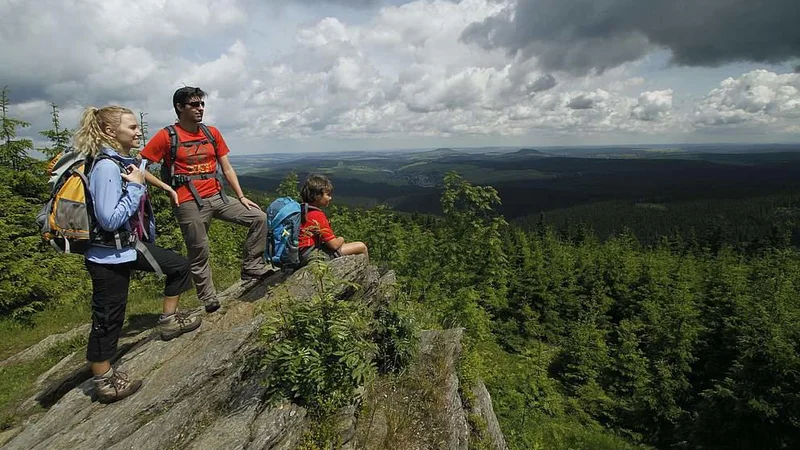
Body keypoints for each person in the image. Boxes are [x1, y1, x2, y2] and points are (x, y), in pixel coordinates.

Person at [73, 106, 201, 404]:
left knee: (179, 266)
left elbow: (138, 173)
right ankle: (103, 380)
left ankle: (168, 322)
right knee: (108, 318)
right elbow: (109, 220)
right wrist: (134, 190)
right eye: (131, 127)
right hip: (107, 256)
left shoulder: (119, 160)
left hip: (128, 248)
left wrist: (159, 185)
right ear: (109, 132)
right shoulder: (105, 167)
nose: (138, 131)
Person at [140, 87, 271, 314]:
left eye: (202, 104)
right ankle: (208, 298)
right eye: (194, 104)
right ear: (180, 107)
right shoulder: (167, 136)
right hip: (188, 202)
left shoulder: (211, 133)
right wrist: (167, 189)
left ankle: (252, 267)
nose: (200, 108)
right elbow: (140, 167)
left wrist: (241, 196)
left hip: (218, 196)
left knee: (258, 217)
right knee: (199, 249)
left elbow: (227, 168)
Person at [298, 174, 368, 265]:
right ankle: (367, 275)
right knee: (361, 246)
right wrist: (341, 239)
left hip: (300, 253)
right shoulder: (317, 215)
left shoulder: (302, 209)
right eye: (328, 195)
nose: (330, 198)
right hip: (310, 255)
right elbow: (334, 245)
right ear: (317, 196)